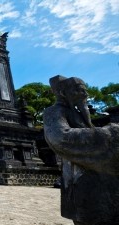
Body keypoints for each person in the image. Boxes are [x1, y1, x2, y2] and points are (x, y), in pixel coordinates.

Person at [43, 75, 119, 225]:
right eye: (79, 90)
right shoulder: (54, 112)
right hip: (80, 181)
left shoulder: (78, 114)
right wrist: (109, 134)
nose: (85, 94)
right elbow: (60, 138)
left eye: (85, 90)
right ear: (63, 93)